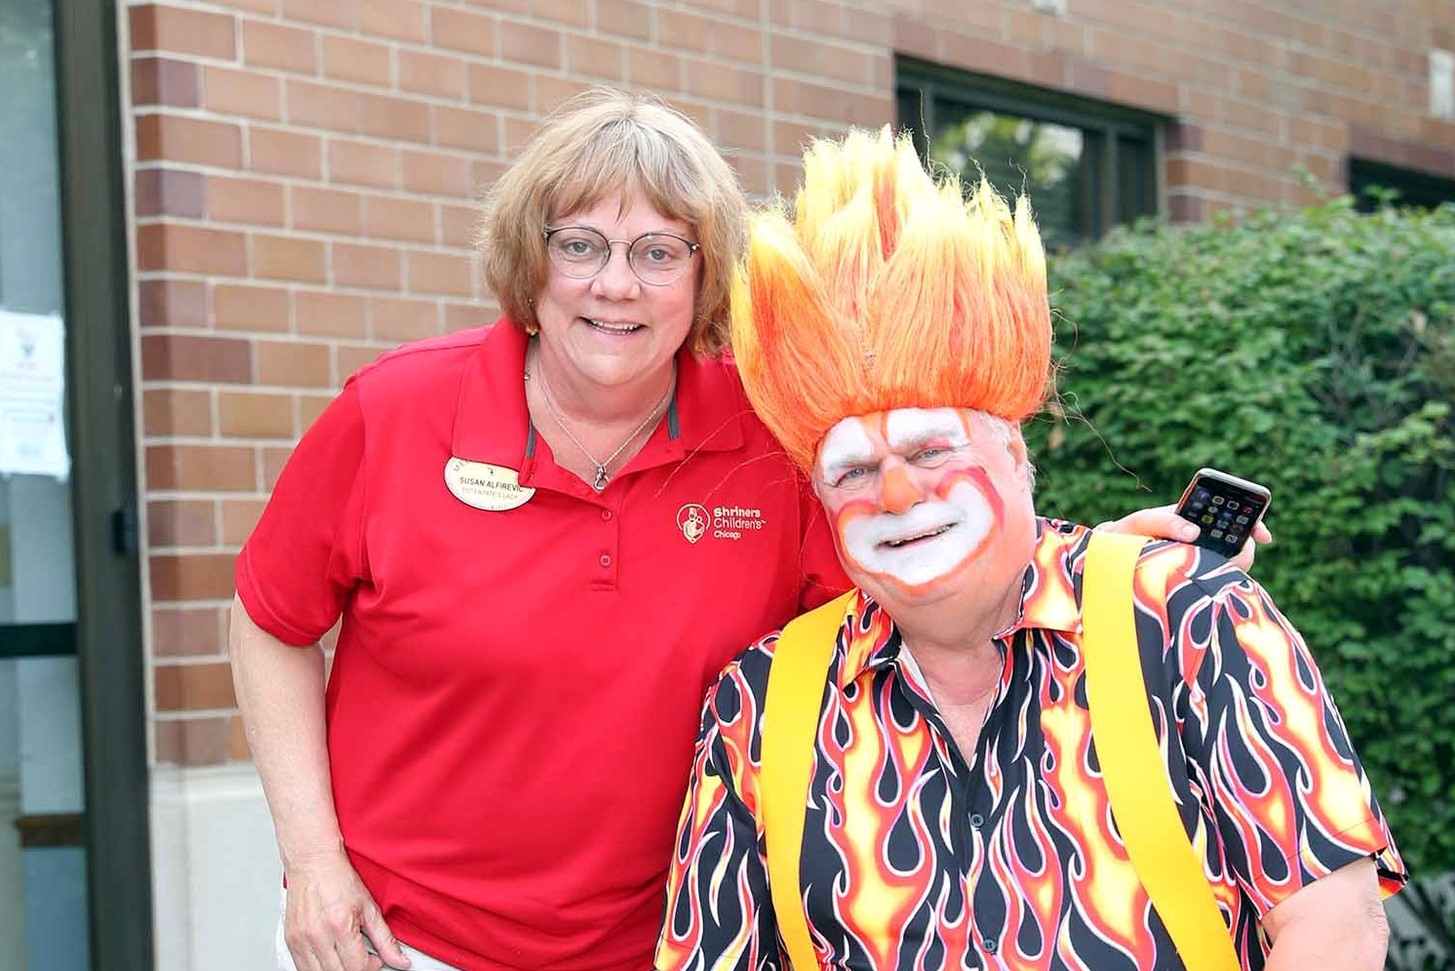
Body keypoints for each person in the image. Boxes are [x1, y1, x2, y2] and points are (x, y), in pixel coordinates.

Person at [230, 88, 1262, 971]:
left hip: (675, 937)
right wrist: (312, 861)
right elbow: (269, 616)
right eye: (579, 244)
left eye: (658, 252)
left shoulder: (770, 437)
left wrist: (1088, 564)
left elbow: (911, 575)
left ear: (705, 275)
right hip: (401, 939)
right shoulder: (396, 411)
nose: (615, 283)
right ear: (529, 263)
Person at [655, 129, 1404, 971]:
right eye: (854, 470)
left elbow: (1331, 922)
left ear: (1013, 454)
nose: (896, 495)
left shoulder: (1188, 615)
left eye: (932, 451)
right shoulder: (758, 702)